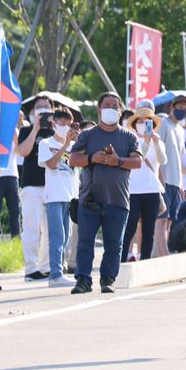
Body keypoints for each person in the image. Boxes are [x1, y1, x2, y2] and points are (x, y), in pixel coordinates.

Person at [67, 92, 142, 294]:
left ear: (120, 110)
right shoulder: (87, 135)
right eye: (107, 105)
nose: (111, 108)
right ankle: (83, 280)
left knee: (113, 244)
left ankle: (108, 280)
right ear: (99, 109)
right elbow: (72, 159)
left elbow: (137, 162)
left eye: (115, 106)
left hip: (118, 200)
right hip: (89, 200)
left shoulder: (129, 136)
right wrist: (93, 158)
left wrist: (117, 161)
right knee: (85, 243)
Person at [16, 94, 58, 280]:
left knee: (50, 229)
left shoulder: (57, 131)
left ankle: (47, 266)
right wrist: (35, 129)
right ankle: (31, 268)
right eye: (39, 107)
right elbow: (23, 151)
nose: (42, 109)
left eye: (46, 106)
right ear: (33, 111)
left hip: (53, 185)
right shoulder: (26, 130)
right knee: (31, 227)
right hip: (31, 185)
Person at [38, 109, 79, 287]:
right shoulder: (46, 143)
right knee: (57, 236)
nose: (65, 127)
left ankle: (60, 270)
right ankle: (55, 275)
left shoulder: (75, 145)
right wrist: (65, 145)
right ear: (54, 124)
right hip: (54, 195)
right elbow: (52, 164)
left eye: (68, 124)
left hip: (70, 196)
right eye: (61, 124)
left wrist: (77, 142)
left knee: (66, 237)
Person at [122, 107, 166, 263]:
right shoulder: (130, 140)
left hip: (151, 189)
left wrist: (155, 142)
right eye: (140, 121)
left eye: (147, 122)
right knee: (130, 227)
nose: (143, 124)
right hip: (133, 190)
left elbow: (163, 160)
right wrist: (146, 144)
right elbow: (138, 161)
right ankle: (121, 259)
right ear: (134, 124)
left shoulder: (157, 140)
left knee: (149, 229)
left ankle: (145, 260)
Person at [157, 93, 186, 238]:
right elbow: (156, 152)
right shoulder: (163, 124)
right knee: (161, 218)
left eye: (185, 108)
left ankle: (162, 251)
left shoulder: (181, 131)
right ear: (172, 107)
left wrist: (181, 183)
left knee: (170, 219)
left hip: (176, 181)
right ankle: (160, 251)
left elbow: (179, 158)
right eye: (179, 106)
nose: (182, 110)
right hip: (164, 180)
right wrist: (160, 178)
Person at [0, 115, 22, 239]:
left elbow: (19, 151)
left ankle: (16, 238)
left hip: (12, 175)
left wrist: (14, 134)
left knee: (15, 211)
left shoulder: (14, 131)